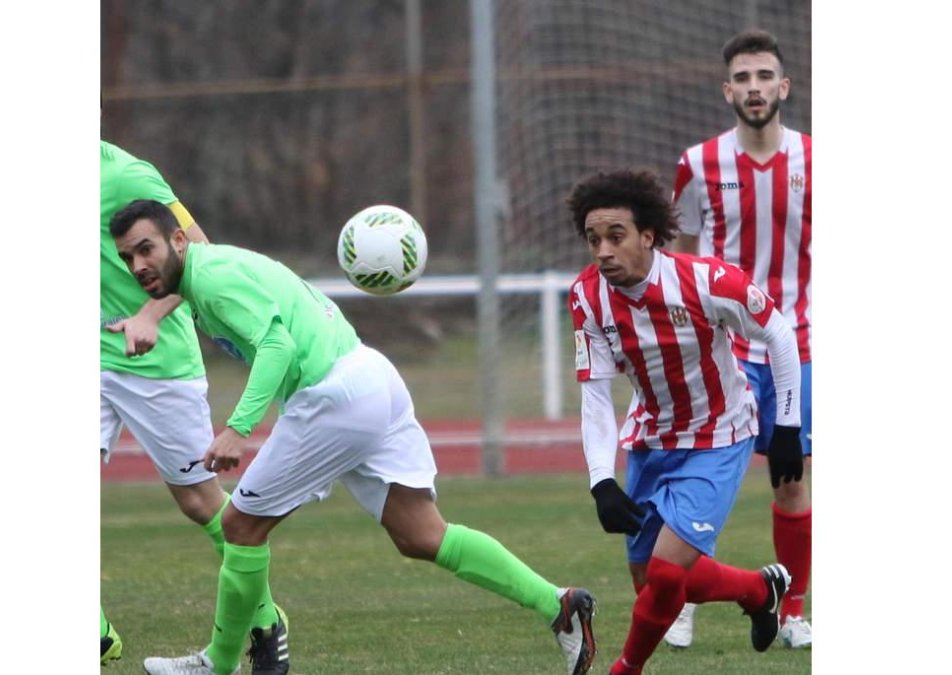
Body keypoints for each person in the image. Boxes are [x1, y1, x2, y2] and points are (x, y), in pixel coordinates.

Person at [109, 199, 599, 675]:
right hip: (369, 375)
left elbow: (276, 345)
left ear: (178, 239)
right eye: (128, 256)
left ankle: (219, 662)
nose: (138, 264)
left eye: (146, 249)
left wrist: (237, 430)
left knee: (239, 527)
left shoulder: (212, 278)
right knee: (422, 535)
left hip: (333, 396)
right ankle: (557, 604)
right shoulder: (211, 270)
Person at [566, 168, 801, 674]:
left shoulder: (707, 281)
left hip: (720, 434)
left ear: (648, 235)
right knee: (650, 579)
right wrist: (601, 481)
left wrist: (786, 428)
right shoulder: (586, 297)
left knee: (668, 576)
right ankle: (760, 589)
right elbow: (596, 396)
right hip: (652, 439)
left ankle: (625, 669)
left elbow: (779, 336)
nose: (602, 250)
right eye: (593, 239)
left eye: (615, 236)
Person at [668, 28, 813, 649]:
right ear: (728, 90)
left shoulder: (820, 159)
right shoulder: (697, 164)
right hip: (721, 348)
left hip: (800, 343)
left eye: (765, 77)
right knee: (706, 472)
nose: (755, 89)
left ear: (783, 86)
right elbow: (673, 250)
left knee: (792, 478)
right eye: (743, 79)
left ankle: (791, 611)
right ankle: (678, 598)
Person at [99, 140, 231, 664]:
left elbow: (199, 254)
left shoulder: (128, 177)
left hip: (157, 362)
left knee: (200, 502)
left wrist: (151, 316)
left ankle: (264, 617)